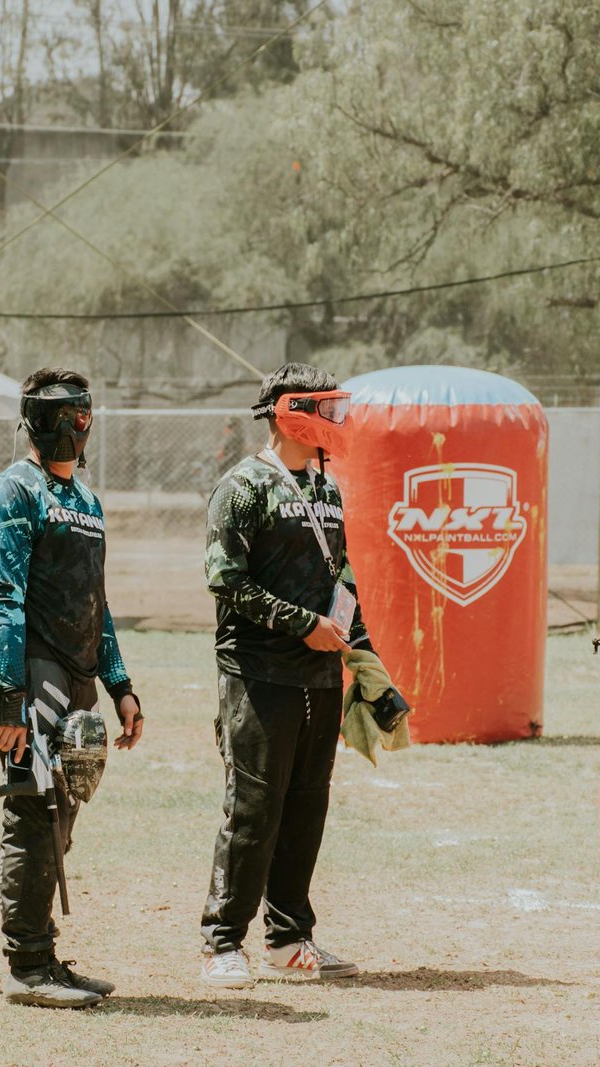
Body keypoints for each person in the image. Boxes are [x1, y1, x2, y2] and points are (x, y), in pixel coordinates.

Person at [197, 362, 369, 989]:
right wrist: (301, 625)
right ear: (291, 412)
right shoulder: (242, 487)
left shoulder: (326, 489)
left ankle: (290, 938)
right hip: (257, 673)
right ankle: (222, 940)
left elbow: (342, 579)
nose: (335, 422)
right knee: (253, 807)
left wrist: (367, 665)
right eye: (325, 409)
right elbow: (226, 580)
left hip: (320, 677)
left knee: (306, 807)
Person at [0, 366, 145, 1008]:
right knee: (33, 810)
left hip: (79, 680)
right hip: (34, 675)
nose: (71, 429)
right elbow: (1, 596)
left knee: (63, 811)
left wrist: (121, 685)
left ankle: (43, 953)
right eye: (58, 417)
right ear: (33, 422)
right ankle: (26, 966)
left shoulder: (85, 502)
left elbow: (95, 603)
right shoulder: (13, 491)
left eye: (78, 416)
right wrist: (10, 694)